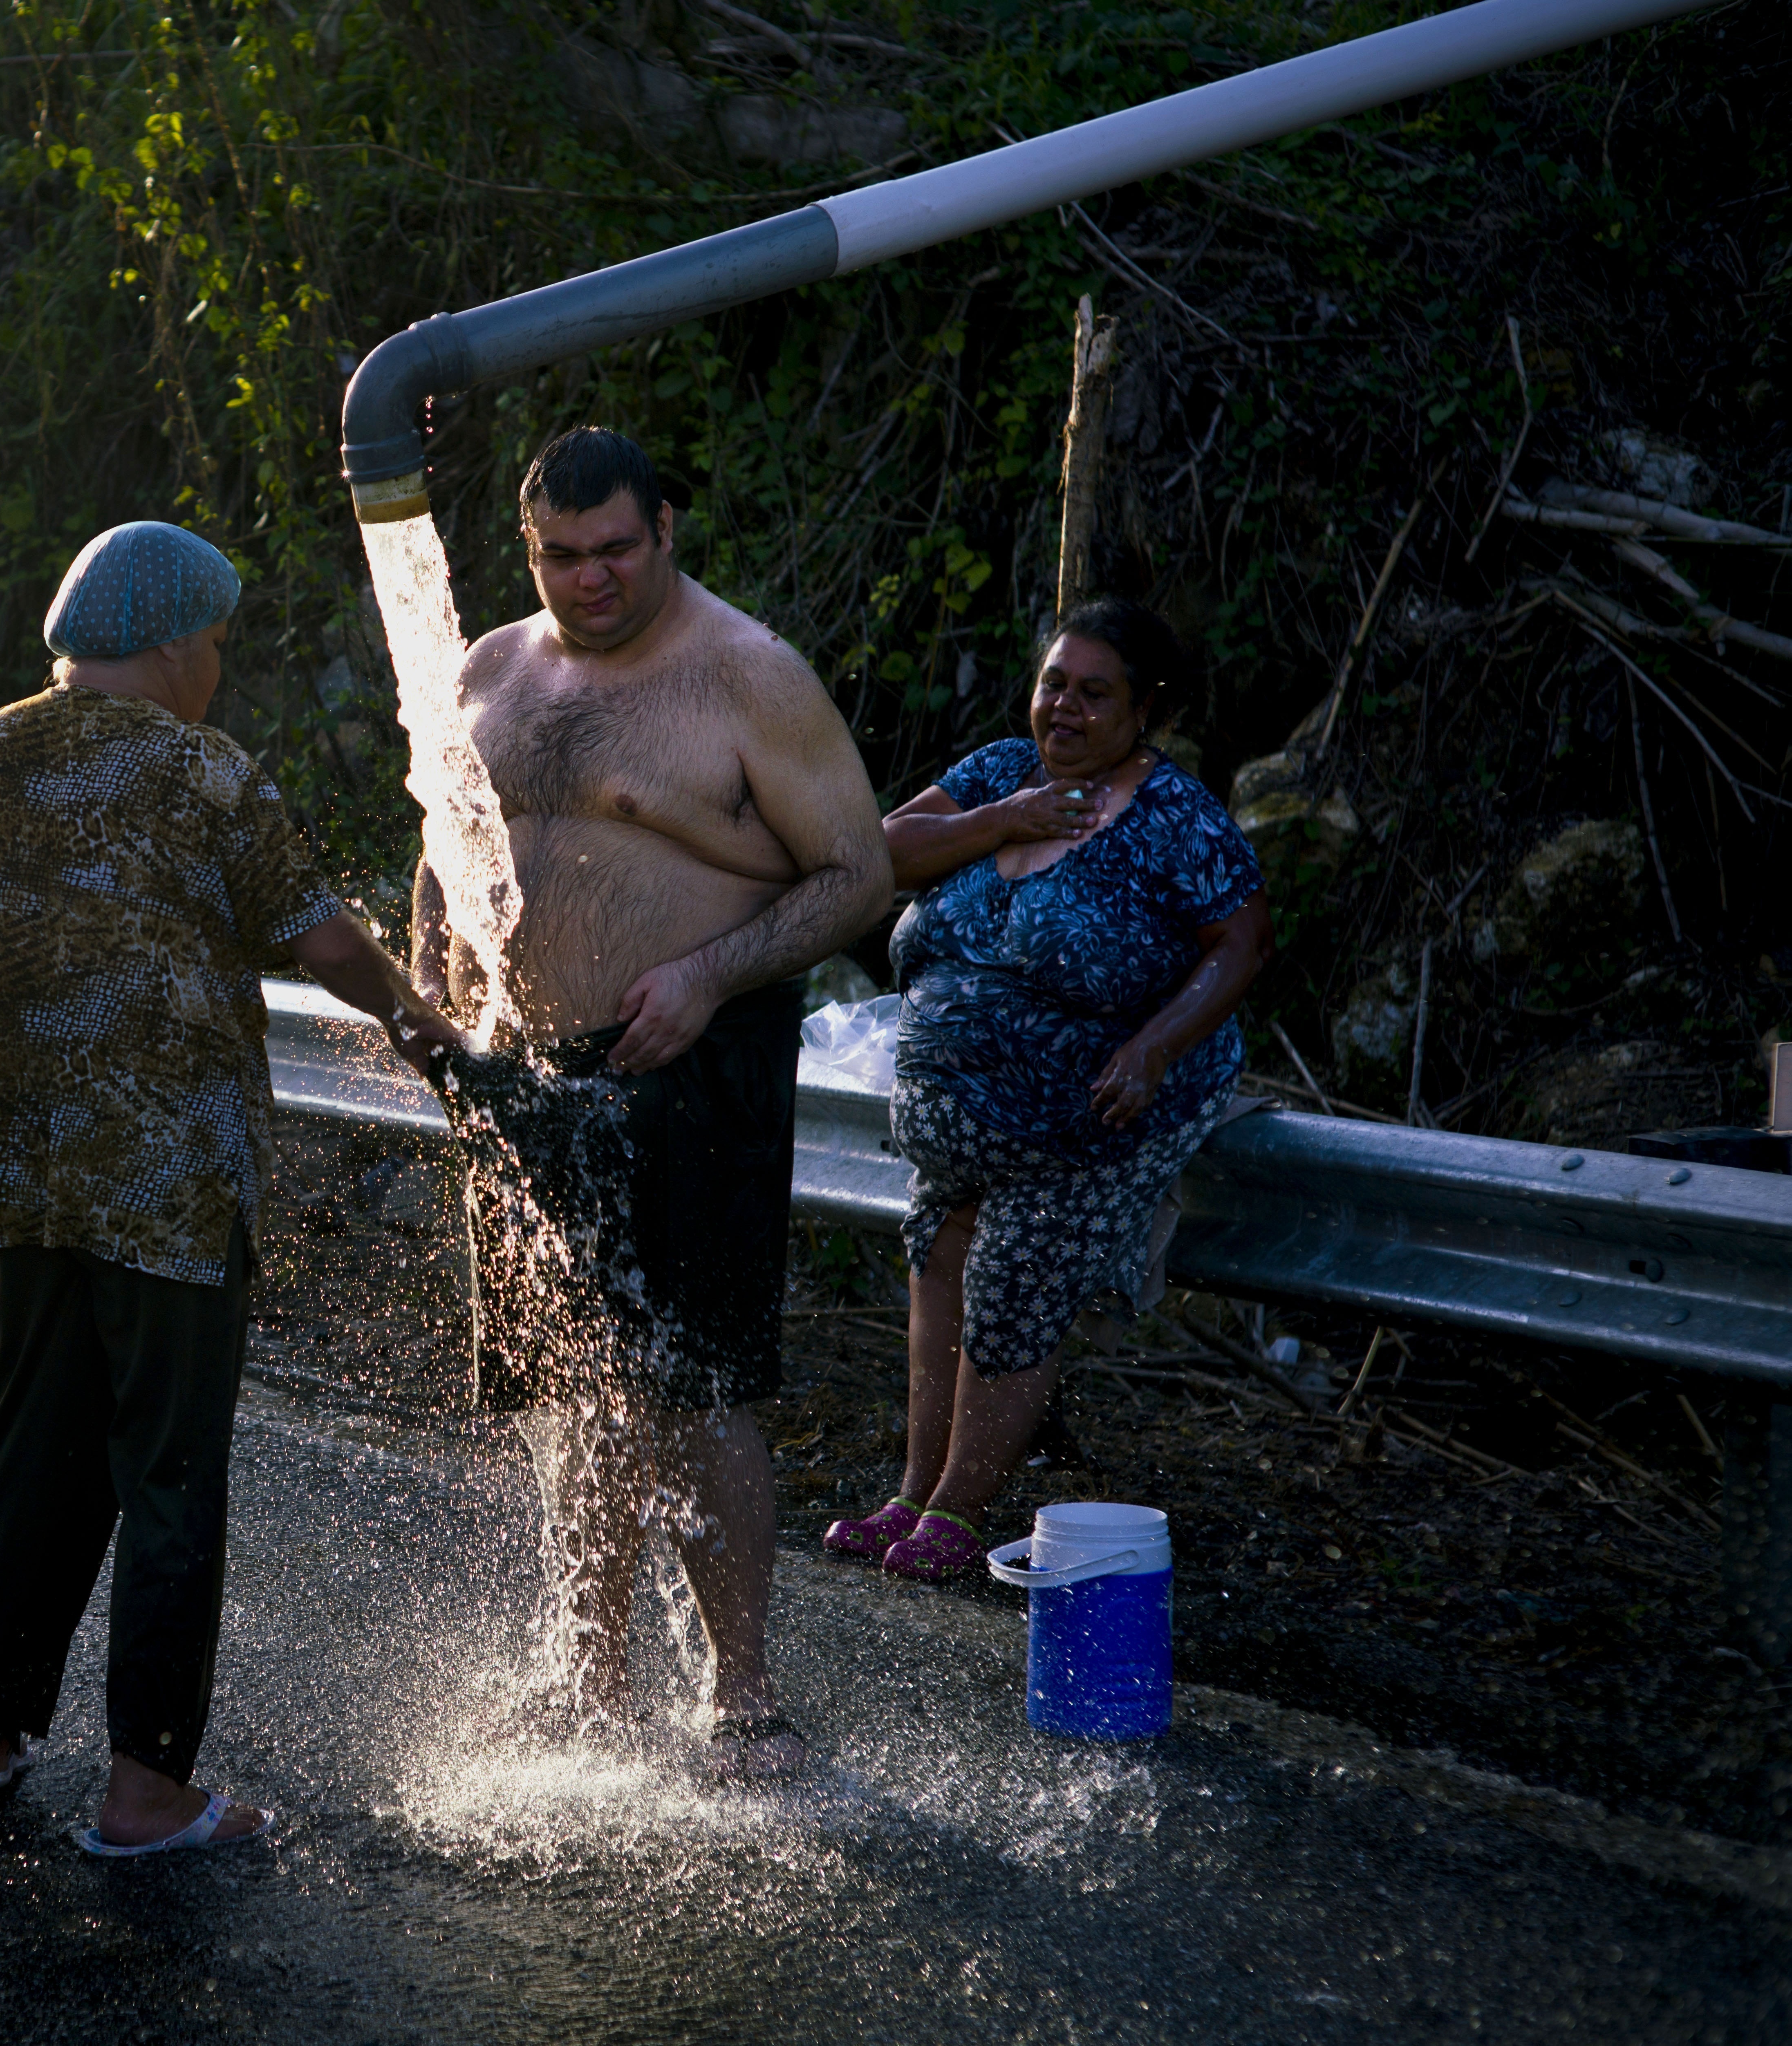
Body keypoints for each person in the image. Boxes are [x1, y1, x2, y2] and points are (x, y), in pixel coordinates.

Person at [0, 521, 462, 1853]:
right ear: (162, 642)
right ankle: (145, 1788)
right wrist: (428, 1028)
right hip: (169, 1185)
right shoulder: (199, 772)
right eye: (209, 641)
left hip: (23, 1174)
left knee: (28, 1454)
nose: (214, 663)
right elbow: (320, 937)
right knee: (164, 1473)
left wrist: (37, 967)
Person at [412, 428, 892, 1774]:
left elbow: (855, 873)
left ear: (665, 528)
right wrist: (440, 1006)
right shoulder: (491, 667)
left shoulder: (745, 675)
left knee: (695, 1384)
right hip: (528, 1072)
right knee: (574, 1384)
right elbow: (443, 843)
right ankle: (589, 1672)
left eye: (615, 547)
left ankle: (742, 1696)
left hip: (692, 1056)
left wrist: (703, 969)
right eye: (560, 554)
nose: (590, 576)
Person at [825, 599, 1272, 1580]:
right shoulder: (997, 772)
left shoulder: (1173, 819)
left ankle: (958, 1507)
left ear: (1143, 708)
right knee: (938, 1255)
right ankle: (909, 1491)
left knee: (1010, 1280)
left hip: (1085, 1118)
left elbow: (1240, 942)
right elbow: (880, 855)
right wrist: (1005, 820)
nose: (1064, 708)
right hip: (959, 1123)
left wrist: (1154, 1045)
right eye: (1052, 684)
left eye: (1093, 693)